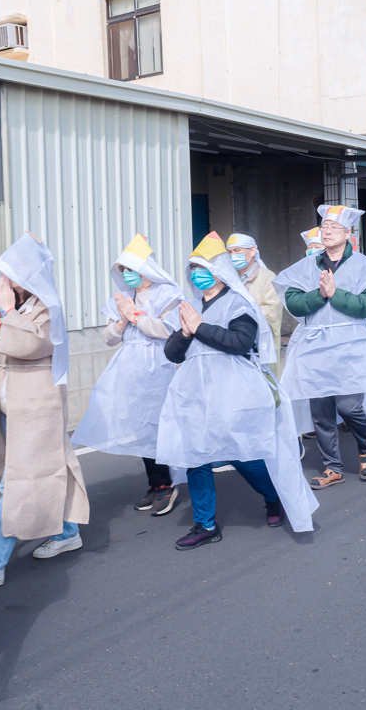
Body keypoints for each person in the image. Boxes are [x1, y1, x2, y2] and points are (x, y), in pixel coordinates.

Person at [156, 232, 318, 549]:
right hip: (194, 391)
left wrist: (199, 327)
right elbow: (173, 352)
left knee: (242, 452)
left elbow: (240, 343)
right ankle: (205, 525)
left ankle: (272, 496)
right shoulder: (188, 305)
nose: (195, 274)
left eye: (201, 267)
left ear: (218, 270)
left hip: (233, 389)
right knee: (196, 456)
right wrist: (187, 332)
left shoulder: (238, 301)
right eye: (192, 268)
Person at [0, 234, 91, 590]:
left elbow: (31, 344)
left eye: (13, 275)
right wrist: (0, 314)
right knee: (43, 468)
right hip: (7, 401)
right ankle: (67, 531)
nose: (7, 282)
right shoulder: (3, 303)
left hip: (38, 404)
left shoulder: (48, 307)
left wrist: (4, 315)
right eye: (4, 274)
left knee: (17, 480)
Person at [276, 205, 366, 489]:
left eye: (333, 228)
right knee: (321, 410)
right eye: (324, 226)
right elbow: (293, 302)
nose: (326, 231)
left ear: (348, 234)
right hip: (315, 345)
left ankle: (365, 447)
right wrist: (319, 294)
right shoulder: (306, 265)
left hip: (351, 345)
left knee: (350, 406)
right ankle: (332, 467)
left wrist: (335, 294)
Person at [73, 234, 183, 517]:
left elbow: (168, 331)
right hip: (130, 368)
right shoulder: (122, 298)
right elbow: (108, 338)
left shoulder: (168, 294)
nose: (128, 276)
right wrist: (122, 320)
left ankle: (169, 484)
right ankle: (157, 483)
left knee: (161, 424)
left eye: (132, 270)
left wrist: (136, 318)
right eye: (124, 271)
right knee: (141, 425)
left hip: (159, 364)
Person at [226, 233, 284, 373]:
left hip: (260, 343)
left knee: (267, 384)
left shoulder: (267, 277)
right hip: (232, 341)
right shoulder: (228, 278)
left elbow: (272, 312)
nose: (233, 255)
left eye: (237, 251)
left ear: (252, 251)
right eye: (230, 252)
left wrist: (242, 311)